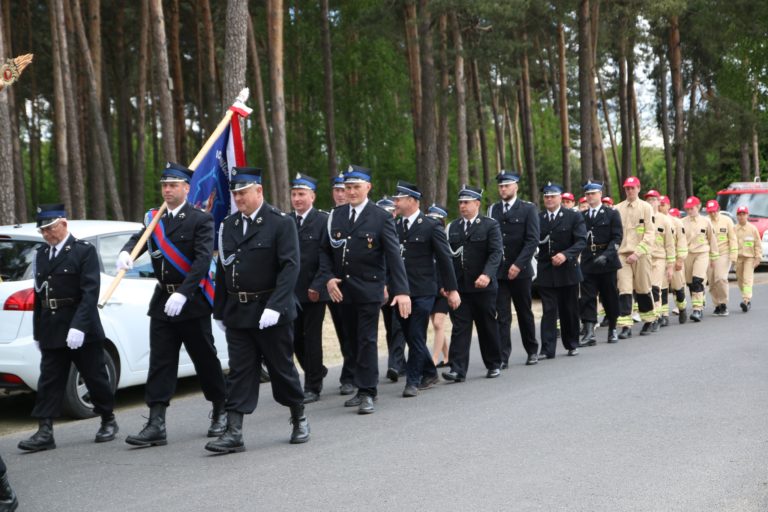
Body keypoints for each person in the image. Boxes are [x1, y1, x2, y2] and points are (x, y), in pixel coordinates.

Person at [118, 163, 227, 447]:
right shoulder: (155, 218)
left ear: (186, 188)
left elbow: (203, 260)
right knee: (161, 362)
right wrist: (126, 253)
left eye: (173, 185)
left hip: (191, 303)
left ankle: (221, 410)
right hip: (162, 301)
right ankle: (156, 423)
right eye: (164, 185)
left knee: (205, 359)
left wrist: (185, 293)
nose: (167, 190)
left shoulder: (200, 220)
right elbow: (138, 240)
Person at [206, 167, 309, 453]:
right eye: (235, 193)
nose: (238, 198)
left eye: (243, 192)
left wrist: (276, 306)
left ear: (259, 191)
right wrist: (220, 311)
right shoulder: (228, 225)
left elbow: (290, 267)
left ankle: (299, 417)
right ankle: (234, 432)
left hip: (271, 311)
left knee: (281, 368)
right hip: (239, 312)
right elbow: (224, 271)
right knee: (240, 372)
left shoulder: (280, 223)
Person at [18, 205, 117, 452]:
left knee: (94, 376)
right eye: (43, 231)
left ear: (63, 224)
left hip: (81, 325)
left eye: (50, 229)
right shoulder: (41, 254)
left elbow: (90, 292)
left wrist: (79, 327)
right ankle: (45, 431)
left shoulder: (83, 251)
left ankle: (108, 419)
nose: (47, 235)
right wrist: (38, 332)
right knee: (49, 380)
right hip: (52, 326)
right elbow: (40, 295)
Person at [320, 165, 411, 414]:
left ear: (368, 187)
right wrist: (328, 278)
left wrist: (400, 290)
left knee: (367, 339)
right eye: (347, 187)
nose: (350, 192)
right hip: (342, 291)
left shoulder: (380, 216)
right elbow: (325, 252)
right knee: (351, 341)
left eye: (356, 187)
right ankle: (360, 387)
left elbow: (394, 256)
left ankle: (368, 391)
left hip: (369, 289)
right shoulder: (335, 216)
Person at [392, 182, 460, 397]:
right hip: (401, 291)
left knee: (416, 333)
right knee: (411, 336)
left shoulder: (430, 225)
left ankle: (412, 381)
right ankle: (430, 371)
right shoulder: (395, 226)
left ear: (412, 201)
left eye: (399, 199)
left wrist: (452, 289)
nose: (396, 202)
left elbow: (445, 260)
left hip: (423, 291)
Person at [443, 185, 503, 382]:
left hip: (483, 287)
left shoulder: (489, 225)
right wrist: (447, 284)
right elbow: (447, 258)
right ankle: (457, 369)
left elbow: (496, 252)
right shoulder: (452, 227)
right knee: (460, 326)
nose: (462, 206)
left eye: (466, 202)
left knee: (486, 325)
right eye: (460, 202)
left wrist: (487, 274)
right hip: (461, 287)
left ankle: (494, 363)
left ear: (477, 203)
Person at [487, 171, 540, 367]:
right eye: (500, 186)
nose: (503, 189)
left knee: (524, 312)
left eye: (506, 186)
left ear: (516, 186)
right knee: (502, 315)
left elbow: (532, 239)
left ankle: (532, 350)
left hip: (521, 271)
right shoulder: (493, 210)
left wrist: (519, 264)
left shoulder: (528, 209)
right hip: (500, 272)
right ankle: (503, 356)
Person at [289, 173, 330, 404]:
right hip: (291, 291)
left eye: (301, 194)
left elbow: (326, 259)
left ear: (312, 196)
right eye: (294, 194)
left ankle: (313, 386)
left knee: (312, 338)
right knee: (294, 339)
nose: (297, 199)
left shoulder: (323, 221)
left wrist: (318, 284)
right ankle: (317, 369)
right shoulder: (286, 221)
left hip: (315, 290)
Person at [536, 183, 587, 358]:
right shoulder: (538, 218)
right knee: (549, 309)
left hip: (568, 270)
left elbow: (581, 241)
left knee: (569, 309)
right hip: (546, 270)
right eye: (546, 196)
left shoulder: (572, 217)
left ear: (560, 198)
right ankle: (547, 348)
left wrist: (566, 255)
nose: (549, 199)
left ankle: (571, 343)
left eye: (552, 196)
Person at [578, 180, 622, 345]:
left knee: (609, 296)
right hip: (588, 261)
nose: (590, 196)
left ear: (600, 194)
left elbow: (617, 237)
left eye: (593, 193)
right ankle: (589, 332)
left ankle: (612, 328)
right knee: (587, 298)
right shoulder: (581, 216)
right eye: (587, 194)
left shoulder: (611, 214)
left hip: (607, 262)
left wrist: (608, 255)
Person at [614, 177, 656, 338]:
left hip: (641, 255)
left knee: (643, 288)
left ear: (638, 188)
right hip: (622, 255)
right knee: (624, 289)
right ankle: (625, 324)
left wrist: (637, 253)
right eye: (627, 188)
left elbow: (650, 233)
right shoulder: (617, 208)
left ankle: (648, 320)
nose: (630, 191)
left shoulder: (646, 208)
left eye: (632, 188)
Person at [327, 172, 355, 395]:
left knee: (359, 333)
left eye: (343, 189)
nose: (340, 194)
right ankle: (350, 371)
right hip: (336, 286)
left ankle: (356, 374)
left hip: (361, 284)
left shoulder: (362, 215)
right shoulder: (330, 218)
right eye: (337, 190)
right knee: (343, 331)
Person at [376, 197, 407, 382]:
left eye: (391, 212)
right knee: (390, 327)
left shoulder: (401, 229)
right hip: (382, 285)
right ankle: (400, 363)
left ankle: (394, 364)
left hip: (399, 286)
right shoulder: (377, 230)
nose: (389, 215)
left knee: (398, 326)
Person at [681, 196, 719, 322]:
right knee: (690, 283)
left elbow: (712, 239)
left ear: (698, 207)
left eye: (692, 208)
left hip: (702, 253)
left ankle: (697, 309)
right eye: (688, 208)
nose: (690, 211)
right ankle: (699, 302)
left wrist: (714, 257)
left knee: (697, 280)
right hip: (687, 255)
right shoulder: (682, 222)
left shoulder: (706, 221)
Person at [644, 190, 675, 330]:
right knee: (646, 288)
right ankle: (653, 314)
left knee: (655, 287)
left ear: (658, 202)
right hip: (645, 258)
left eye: (653, 200)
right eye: (648, 200)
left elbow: (669, 244)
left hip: (659, 258)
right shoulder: (642, 217)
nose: (651, 202)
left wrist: (670, 266)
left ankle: (655, 317)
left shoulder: (665, 220)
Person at [425, 203, 451, 367]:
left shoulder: (444, 241)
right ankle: (448, 356)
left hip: (443, 289)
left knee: (438, 323)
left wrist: (446, 285)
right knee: (435, 324)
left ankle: (434, 359)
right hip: (430, 288)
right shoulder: (425, 242)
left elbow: (447, 266)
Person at [658, 197, 688, 323]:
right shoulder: (654, 221)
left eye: (663, 204)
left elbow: (681, 242)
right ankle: (664, 315)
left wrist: (680, 259)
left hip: (674, 259)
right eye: (659, 205)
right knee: (662, 288)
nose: (660, 207)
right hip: (660, 259)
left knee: (678, 287)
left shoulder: (676, 222)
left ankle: (682, 308)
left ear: (669, 206)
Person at [705, 200, 737, 316]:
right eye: (710, 212)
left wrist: (734, 255)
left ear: (718, 209)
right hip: (709, 255)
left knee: (721, 278)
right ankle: (717, 305)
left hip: (724, 253)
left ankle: (723, 303)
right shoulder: (706, 221)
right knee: (712, 281)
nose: (712, 214)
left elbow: (733, 239)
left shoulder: (727, 220)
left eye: (714, 211)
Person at [734, 205, 761, 312]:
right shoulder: (734, 229)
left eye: (743, 214)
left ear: (747, 215)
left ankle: (746, 300)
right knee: (740, 280)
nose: (741, 217)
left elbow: (758, 245)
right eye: (739, 215)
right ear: (737, 216)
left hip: (749, 258)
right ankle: (746, 297)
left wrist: (758, 257)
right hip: (738, 258)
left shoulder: (753, 229)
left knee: (747, 279)